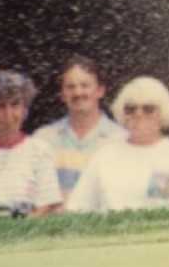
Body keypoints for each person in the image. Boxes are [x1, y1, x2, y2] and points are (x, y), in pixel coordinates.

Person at [66, 76, 169, 212]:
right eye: (130, 109)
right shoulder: (104, 155)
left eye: (148, 108)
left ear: (162, 113)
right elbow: (78, 208)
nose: (138, 114)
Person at [32, 54, 128, 201]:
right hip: (55, 223)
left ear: (100, 91)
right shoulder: (44, 139)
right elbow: (32, 193)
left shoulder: (121, 140)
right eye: (70, 87)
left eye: (85, 85)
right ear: (63, 94)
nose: (78, 92)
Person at [0, 70, 60, 217]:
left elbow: (45, 205)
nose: (9, 114)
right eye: (1, 106)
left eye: (15, 105)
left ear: (25, 110)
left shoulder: (39, 149)